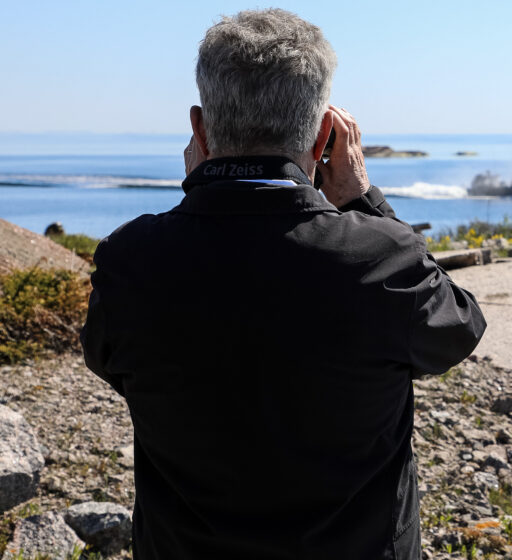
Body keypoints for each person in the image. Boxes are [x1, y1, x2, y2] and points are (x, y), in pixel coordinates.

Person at [81, 9, 485, 559]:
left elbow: (110, 357)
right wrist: (365, 201)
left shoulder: (130, 261)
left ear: (199, 128)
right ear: (325, 137)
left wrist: (200, 198)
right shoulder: (382, 258)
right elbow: (459, 329)